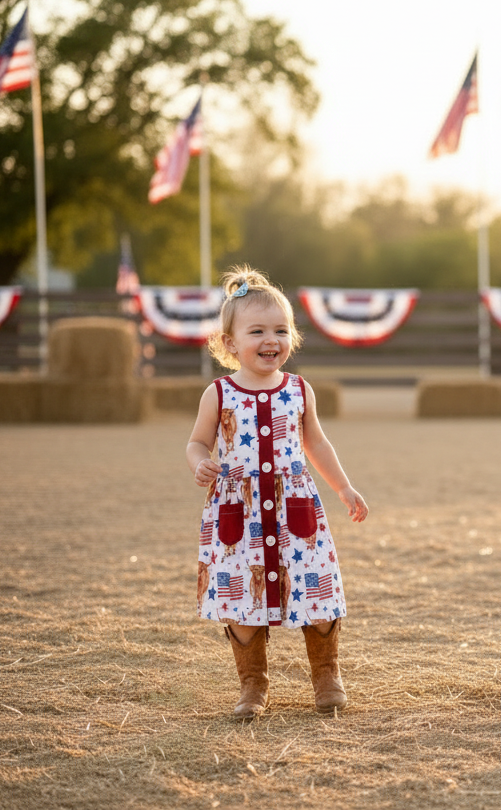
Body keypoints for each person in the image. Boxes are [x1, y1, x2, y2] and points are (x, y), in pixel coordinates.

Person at [186, 267, 368, 718]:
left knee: (316, 590)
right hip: (238, 513)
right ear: (230, 344)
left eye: (281, 330)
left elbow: (317, 443)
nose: (272, 340)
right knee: (242, 601)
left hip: (296, 511)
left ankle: (326, 675)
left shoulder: (299, 390)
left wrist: (343, 486)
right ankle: (253, 685)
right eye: (257, 331)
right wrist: (200, 464)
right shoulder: (219, 393)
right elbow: (196, 442)